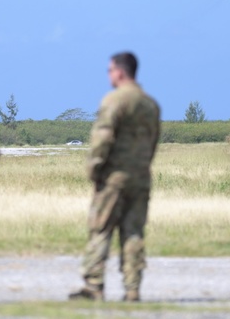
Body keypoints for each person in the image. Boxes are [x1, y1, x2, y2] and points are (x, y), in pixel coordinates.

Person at [70, 51, 161, 303]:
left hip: (114, 178)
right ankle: (133, 289)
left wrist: (94, 167)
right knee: (133, 233)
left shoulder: (115, 100)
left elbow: (103, 136)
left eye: (110, 70)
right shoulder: (150, 104)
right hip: (140, 177)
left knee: (100, 228)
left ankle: (93, 285)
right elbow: (153, 142)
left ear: (120, 71)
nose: (109, 75)